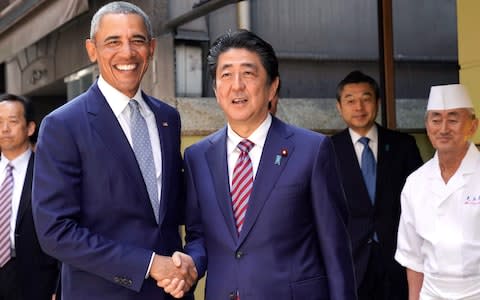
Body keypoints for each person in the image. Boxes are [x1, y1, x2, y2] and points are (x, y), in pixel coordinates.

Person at [32, 2, 196, 300]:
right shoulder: (63, 125)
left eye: (137, 40)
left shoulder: (167, 118)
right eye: (113, 42)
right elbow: (55, 231)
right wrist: (147, 265)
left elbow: (173, 212)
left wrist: (189, 261)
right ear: (92, 50)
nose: (127, 53)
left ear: (152, 47)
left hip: (171, 294)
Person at [178, 29, 356, 300]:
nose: (236, 85)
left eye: (248, 73)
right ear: (215, 89)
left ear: (272, 86)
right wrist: (190, 264)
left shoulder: (311, 150)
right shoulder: (197, 157)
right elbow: (198, 236)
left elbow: (335, 249)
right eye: (226, 75)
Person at [331, 71, 423, 300]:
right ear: (339, 107)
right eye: (350, 100)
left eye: (366, 98)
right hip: (350, 261)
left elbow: (420, 201)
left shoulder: (403, 145)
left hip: (398, 259)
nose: (359, 107)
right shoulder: (327, 150)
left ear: (378, 103)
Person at [395, 84, 480, 300]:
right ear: (427, 126)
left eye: (453, 120)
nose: (443, 129)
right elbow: (413, 259)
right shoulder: (415, 182)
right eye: (435, 120)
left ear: (473, 125)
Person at [0, 93, 58, 299]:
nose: (4, 129)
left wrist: (57, 287)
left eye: (13, 121)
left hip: (36, 280)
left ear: (30, 128)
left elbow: (64, 225)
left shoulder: (49, 171)